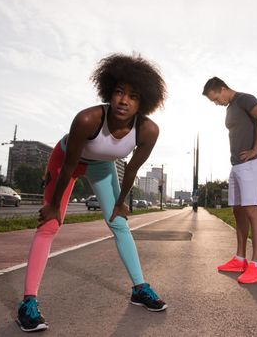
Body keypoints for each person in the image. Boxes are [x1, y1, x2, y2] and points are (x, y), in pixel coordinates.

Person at [16, 54, 168, 332]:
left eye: (133, 96)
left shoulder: (148, 130)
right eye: (119, 92)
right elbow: (69, 167)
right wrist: (52, 206)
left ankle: (139, 288)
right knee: (49, 224)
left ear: (142, 102)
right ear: (109, 92)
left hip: (101, 167)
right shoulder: (88, 119)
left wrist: (121, 204)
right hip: (65, 161)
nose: (124, 100)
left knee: (119, 223)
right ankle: (27, 303)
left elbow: (131, 169)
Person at [202, 77, 257, 284]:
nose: (216, 104)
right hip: (237, 165)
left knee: (252, 210)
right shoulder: (230, 107)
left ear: (222, 89)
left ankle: (256, 266)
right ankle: (240, 259)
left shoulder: (244, 99)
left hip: (250, 163)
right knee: (238, 210)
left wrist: (255, 149)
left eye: (216, 99)